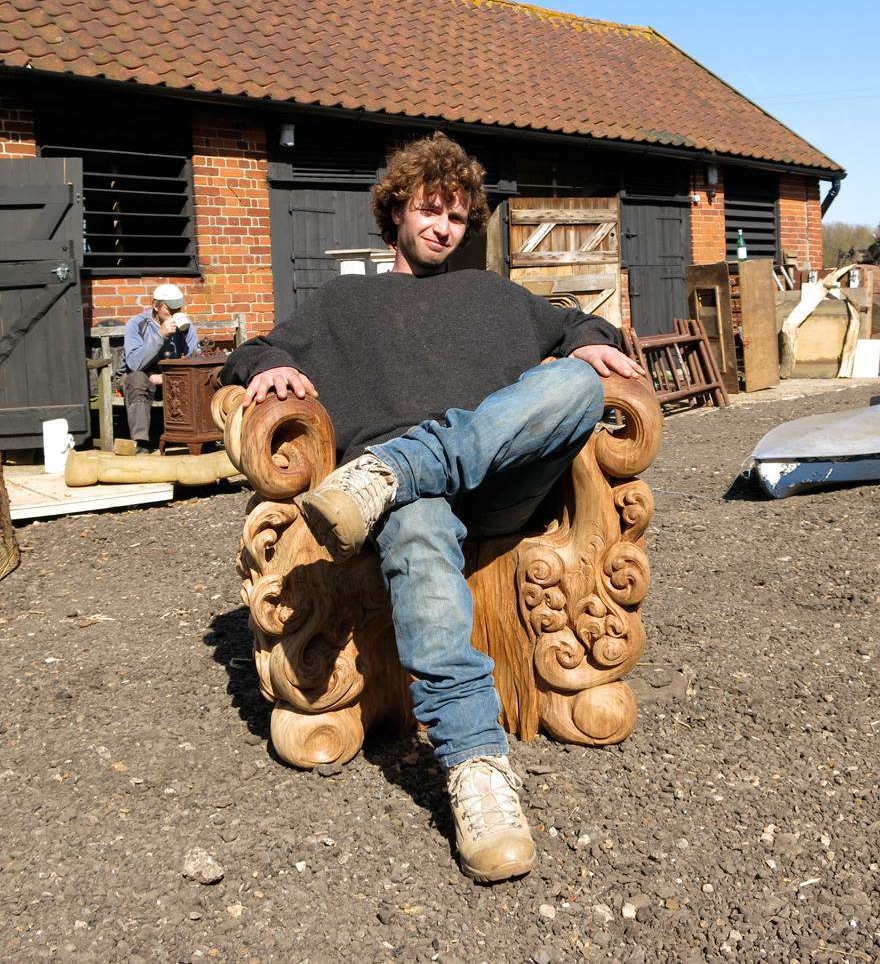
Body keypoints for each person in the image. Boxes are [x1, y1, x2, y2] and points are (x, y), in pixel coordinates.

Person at [220, 133, 644, 883]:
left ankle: (397, 468)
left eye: (455, 215)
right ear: (397, 211)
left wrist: (591, 341)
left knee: (576, 386)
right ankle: (477, 768)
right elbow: (250, 351)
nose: (443, 227)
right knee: (416, 518)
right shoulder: (345, 302)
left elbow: (579, 326)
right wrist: (272, 365)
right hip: (415, 512)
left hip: (497, 489)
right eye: (429, 209)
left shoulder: (494, 295)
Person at [117, 284, 200, 454]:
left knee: (199, 379)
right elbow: (134, 364)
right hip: (138, 378)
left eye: (178, 309)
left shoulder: (185, 326)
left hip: (169, 378)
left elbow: (195, 359)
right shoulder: (136, 324)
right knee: (138, 380)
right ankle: (141, 443)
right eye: (170, 309)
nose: (175, 313)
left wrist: (164, 378)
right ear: (156, 306)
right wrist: (160, 335)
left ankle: (200, 438)